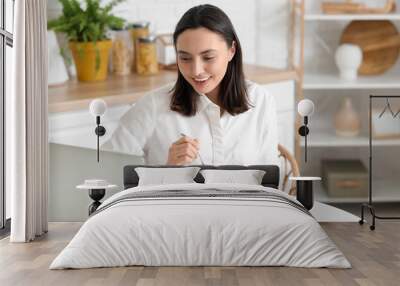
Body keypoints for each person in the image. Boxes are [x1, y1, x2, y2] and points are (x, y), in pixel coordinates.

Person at [103, 4, 279, 166]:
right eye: (185, 58)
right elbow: (107, 173)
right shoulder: (153, 106)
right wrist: (168, 170)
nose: (196, 71)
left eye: (208, 57)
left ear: (231, 50)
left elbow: (271, 182)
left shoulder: (261, 101)